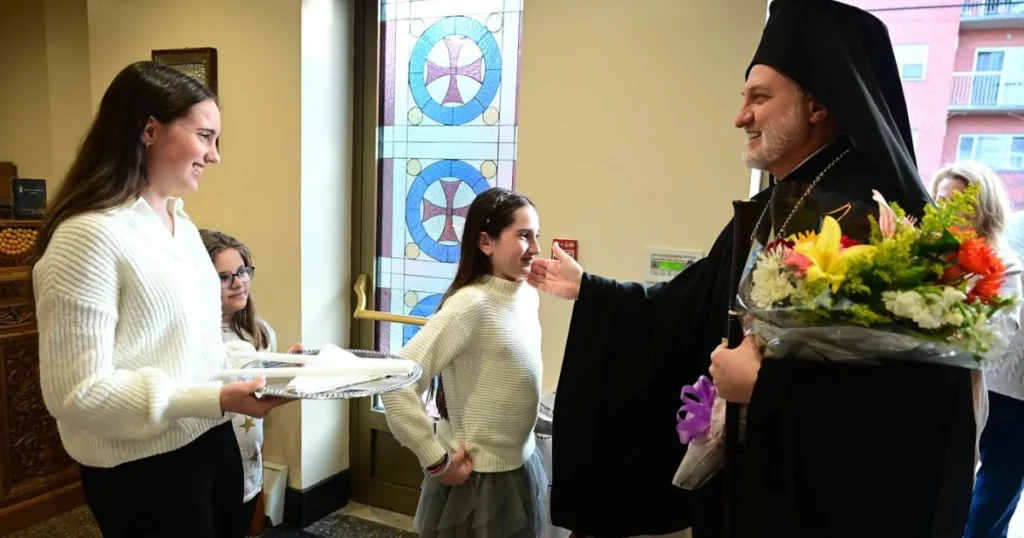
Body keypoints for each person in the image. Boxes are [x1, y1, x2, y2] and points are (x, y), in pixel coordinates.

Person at [528, 1, 977, 537]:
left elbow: (912, 405)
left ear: (816, 105)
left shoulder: (866, 215)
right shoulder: (779, 202)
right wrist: (594, 291)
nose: (741, 116)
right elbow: (692, 301)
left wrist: (768, 388)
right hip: (752, 490)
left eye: (759, 97)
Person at [32, 61, 291, 538]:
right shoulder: (86, 236)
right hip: (143, 467)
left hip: (210, 441)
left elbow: (188, 347)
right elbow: (76, 394)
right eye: (205, 136)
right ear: (149, 130)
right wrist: (213, 398)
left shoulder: (181, 225)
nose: (215, 156)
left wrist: (268, 366)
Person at [381, 187, 548, 538]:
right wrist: (436, 459)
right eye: (523, 236)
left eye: (537, 236)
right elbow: (395, 379)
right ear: (486, 242)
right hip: (476, 483)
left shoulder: (527, 296)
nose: (535, 248)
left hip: (519, 466)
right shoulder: (470, 305)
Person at [932, 163, 1024, 538]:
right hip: (942, 389)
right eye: (941, 201)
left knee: (992, 492)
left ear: (985, 213)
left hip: (1002, 388)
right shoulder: (921, 255)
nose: (949, 213)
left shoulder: (1003, 265)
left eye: (962, 206)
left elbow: (994, 337)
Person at [201, 229, 303, 532]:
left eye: (243, 271)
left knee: (238, 522)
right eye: (224, 277)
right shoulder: (199, 338)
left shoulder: (259, 332)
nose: (238, 283)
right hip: (209, 461)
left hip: (249, 456)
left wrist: (286, 369)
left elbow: (260, 384)